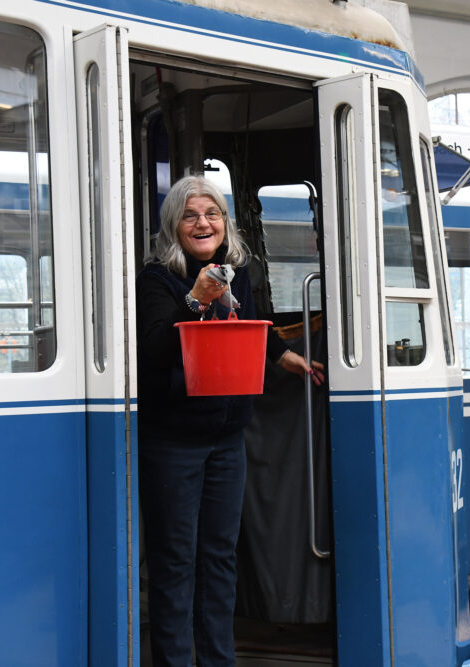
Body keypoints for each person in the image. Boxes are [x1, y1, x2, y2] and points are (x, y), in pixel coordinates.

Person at [136, 174, 324, 666]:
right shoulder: (157, 279)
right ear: (174, 227)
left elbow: (250, 327)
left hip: (227, 438)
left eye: (212, 213)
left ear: (225, 223)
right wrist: (195, 299)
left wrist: (286, 357)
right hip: (173, 441)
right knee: (176, 562)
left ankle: (219, 661)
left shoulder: (236, 273)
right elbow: (154, 350)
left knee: (219, 559)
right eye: (191, 215)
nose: (203, 223)